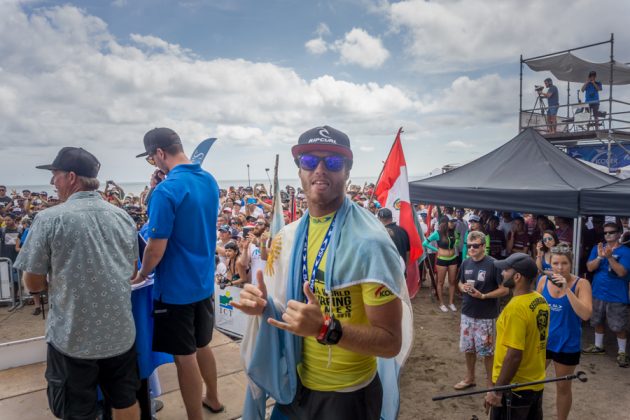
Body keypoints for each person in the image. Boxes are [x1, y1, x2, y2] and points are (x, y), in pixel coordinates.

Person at [234, 125, 412, 420]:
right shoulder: (288, 237)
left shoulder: (370, 243)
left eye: (332, 162)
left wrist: (325, 328)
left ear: (347, 171)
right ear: (299, 170)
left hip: (347, 395)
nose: (319, 169)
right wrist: (264, 306)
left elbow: (390, 342)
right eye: (309, 161)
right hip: (294, 382)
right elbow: (287, 309)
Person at [14, 147, 140, 420]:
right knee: (125, 399)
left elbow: (33, 284)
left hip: (73, 338)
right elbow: (130, 270)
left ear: (71, 177)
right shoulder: (123, 217)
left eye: (55, 175)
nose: (52, 182)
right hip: (120, 333)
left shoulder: (49, 219)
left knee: (75, 411)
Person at [132, 127, 224, 419]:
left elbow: (155, 249)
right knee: (203, 345)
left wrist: (141, 273)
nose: (154, 165)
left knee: (185, 358)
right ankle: (214, 398)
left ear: (160, 153)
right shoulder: (209, 180)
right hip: (203, 283)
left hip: (175, 290)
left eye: (151, 159)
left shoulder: (166, 191)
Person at [485, 253, 550, 420]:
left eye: (506, 270)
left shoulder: (515, 309)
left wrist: (497, 391)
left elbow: (514, 355)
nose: (502, 273)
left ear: (517, 276)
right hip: (535, 383)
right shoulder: (540, 300)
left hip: (515, 389)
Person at [536, 245, 592, 420]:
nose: (560, 268)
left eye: (564, 263)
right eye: (556, 263)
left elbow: (585, 314)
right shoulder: (543, 281)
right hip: (543, 342)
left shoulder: (581, 284)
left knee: (563, 387)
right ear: (550, 263)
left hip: (567, 344)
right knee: (533, 383)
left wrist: (566, 289)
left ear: (571, 263)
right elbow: (534, 310)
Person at [454, 231, 508, 391]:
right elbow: (459, 283)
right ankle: (470, 378)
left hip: (486, 315)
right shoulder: (465, 263)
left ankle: (490, 383)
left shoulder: (494, 264)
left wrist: (484, 296)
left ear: (484, 246)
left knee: (487, 351)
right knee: (468, 348)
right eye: (469, 246)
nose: (471, 249)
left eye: (475, 246)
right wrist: (462, 287)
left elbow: (504, 290)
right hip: (467, 312)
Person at [583, 220, 630, 368]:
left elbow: (622, 272)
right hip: (598, 292)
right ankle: (598, 346)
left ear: (618, 234)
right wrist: (600, 257)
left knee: (618, 326)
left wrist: (609, 257)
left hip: (617, 295)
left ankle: (622, 352)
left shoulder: (626, 251)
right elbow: (589, 268)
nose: (608, 235)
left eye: (611, 232)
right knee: (597, 321)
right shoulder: (599, 248)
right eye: (605, 233)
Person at [423, 216, 460, 312]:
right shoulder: (437, 233)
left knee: (452, 281)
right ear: (445, 223)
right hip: (442, 260)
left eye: (453, 222)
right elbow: (425, 243)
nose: (453, 224)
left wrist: (456, 242)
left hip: (453, 259)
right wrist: (436, 250)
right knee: (440, 282)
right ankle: (441, 303)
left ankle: (451, 303)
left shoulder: (454, 232)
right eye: (451, 222)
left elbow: (458, 239)